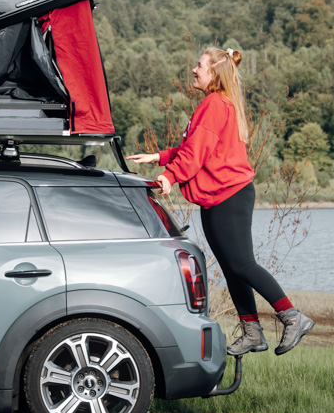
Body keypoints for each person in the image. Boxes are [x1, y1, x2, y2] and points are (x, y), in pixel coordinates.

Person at [127, 47, 314, 356]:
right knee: (231, 267)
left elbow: (196, 153)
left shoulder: (215, 103)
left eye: (199, 66)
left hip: (231, 195)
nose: (194, 70)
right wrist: (159, 157)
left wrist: (170, 176)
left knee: (242, 264)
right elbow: (195, 146)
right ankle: (252, 331)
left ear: (214, 73)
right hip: (216, 197)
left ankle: (292, 317)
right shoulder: (213, 103)